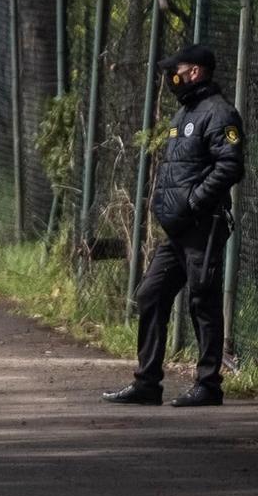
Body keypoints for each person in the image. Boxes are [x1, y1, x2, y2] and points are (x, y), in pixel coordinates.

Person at [103, 42, 245, 408]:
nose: (171, 77)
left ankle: (208, 384)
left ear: (194, 72)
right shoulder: (184, 114)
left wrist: (195, 201)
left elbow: (230, 165)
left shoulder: (219, 113)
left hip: (204, 225)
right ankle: (148, 382)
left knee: (203, 299)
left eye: (175, 71)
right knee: (151, 293)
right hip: (179, 229)